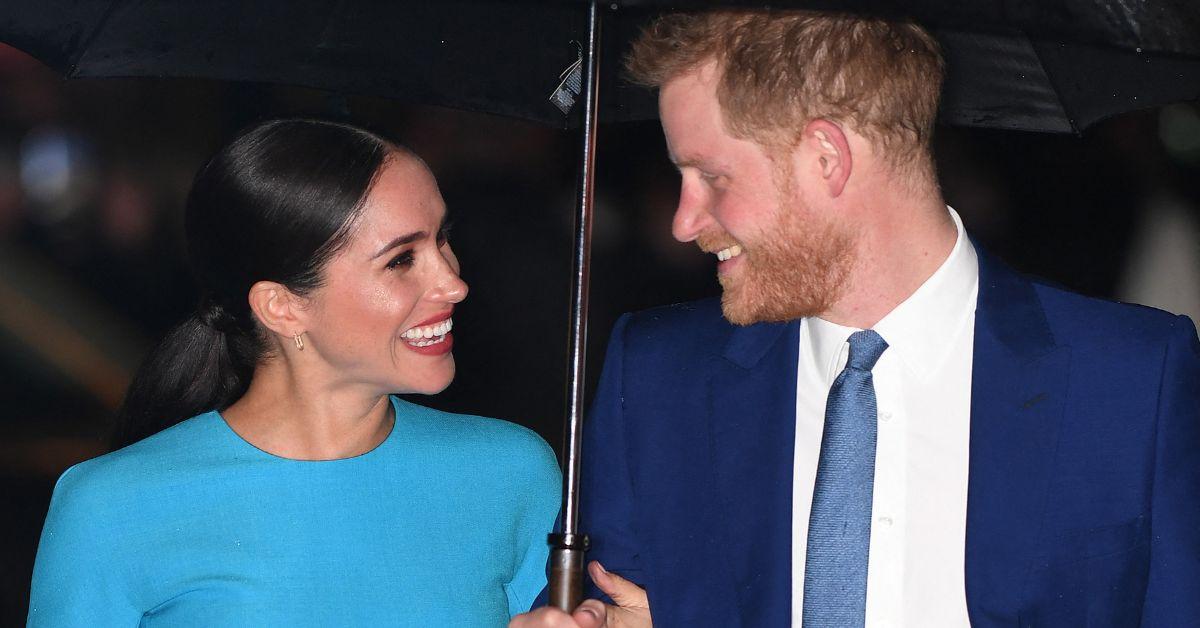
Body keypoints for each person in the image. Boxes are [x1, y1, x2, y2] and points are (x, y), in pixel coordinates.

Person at [512, 9, 1200, 628]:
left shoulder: (1133, 376)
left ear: (826, 157)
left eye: (712, 178)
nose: (685, 221)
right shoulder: (661, 375)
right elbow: (595, 600)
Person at [28, 119, 561, 626]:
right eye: (401, 260)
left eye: (442, 239)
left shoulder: (508, 472)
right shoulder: (112, 506)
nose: (452, 283)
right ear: (282, 307)